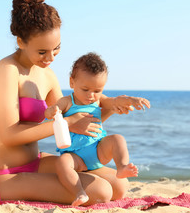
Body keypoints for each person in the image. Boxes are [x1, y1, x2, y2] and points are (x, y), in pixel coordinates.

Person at [0, 0, 135, 205]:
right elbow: (9, 135)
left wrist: (112, 107)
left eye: (56, 49)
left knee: (118, 186)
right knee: (101, 191)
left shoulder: (46, 74)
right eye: (42, 52)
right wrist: (68, 123)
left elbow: (76, 118)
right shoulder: (7, 70)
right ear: (21, 41)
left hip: (35, 162)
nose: (50, 58)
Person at [44, 52, 151, 206]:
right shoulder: (67, 101)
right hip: (75, 157)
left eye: (97, 90)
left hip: (97, 150)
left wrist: (131, 100)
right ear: (72, 82)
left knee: (117, 139)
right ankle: (79, 192)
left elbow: (115, 101)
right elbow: (51, 112)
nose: (91, 95)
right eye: (85, 89)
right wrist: (52, 112)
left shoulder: (99, 100)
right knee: (62, 163)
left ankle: (121, 167)